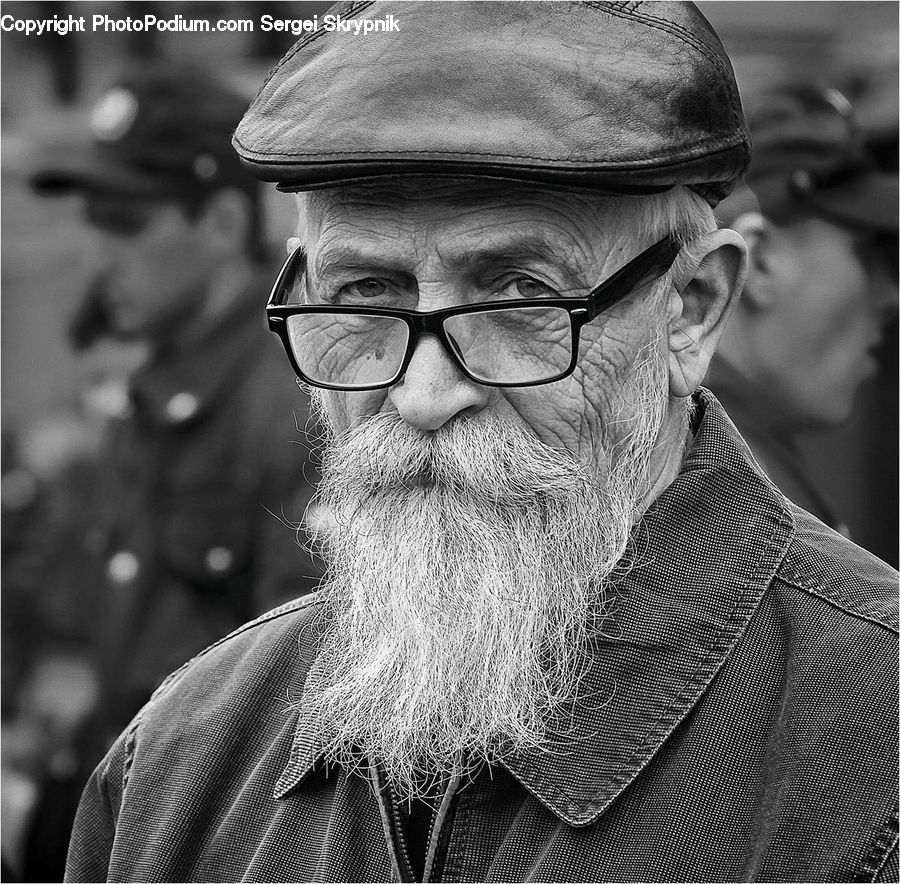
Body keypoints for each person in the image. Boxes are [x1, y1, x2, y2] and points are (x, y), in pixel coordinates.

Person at [64, 5, 898, 883]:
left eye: (518, 296)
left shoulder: (870, 754)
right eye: (365, 295)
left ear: (690, 312)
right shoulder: (176, 764)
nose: (423, 396)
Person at [23, 62, 322, 880]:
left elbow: (292, 712)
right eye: (89, 218)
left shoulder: (293, 408)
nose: (94, 252)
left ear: (224, 221)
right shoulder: (155, 388)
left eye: (123, 220)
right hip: (113, 802)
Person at [707, 83, 898, 532]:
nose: (892, 297)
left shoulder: (733, 450)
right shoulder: (714, 485)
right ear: (762, 261)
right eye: (872, 256)